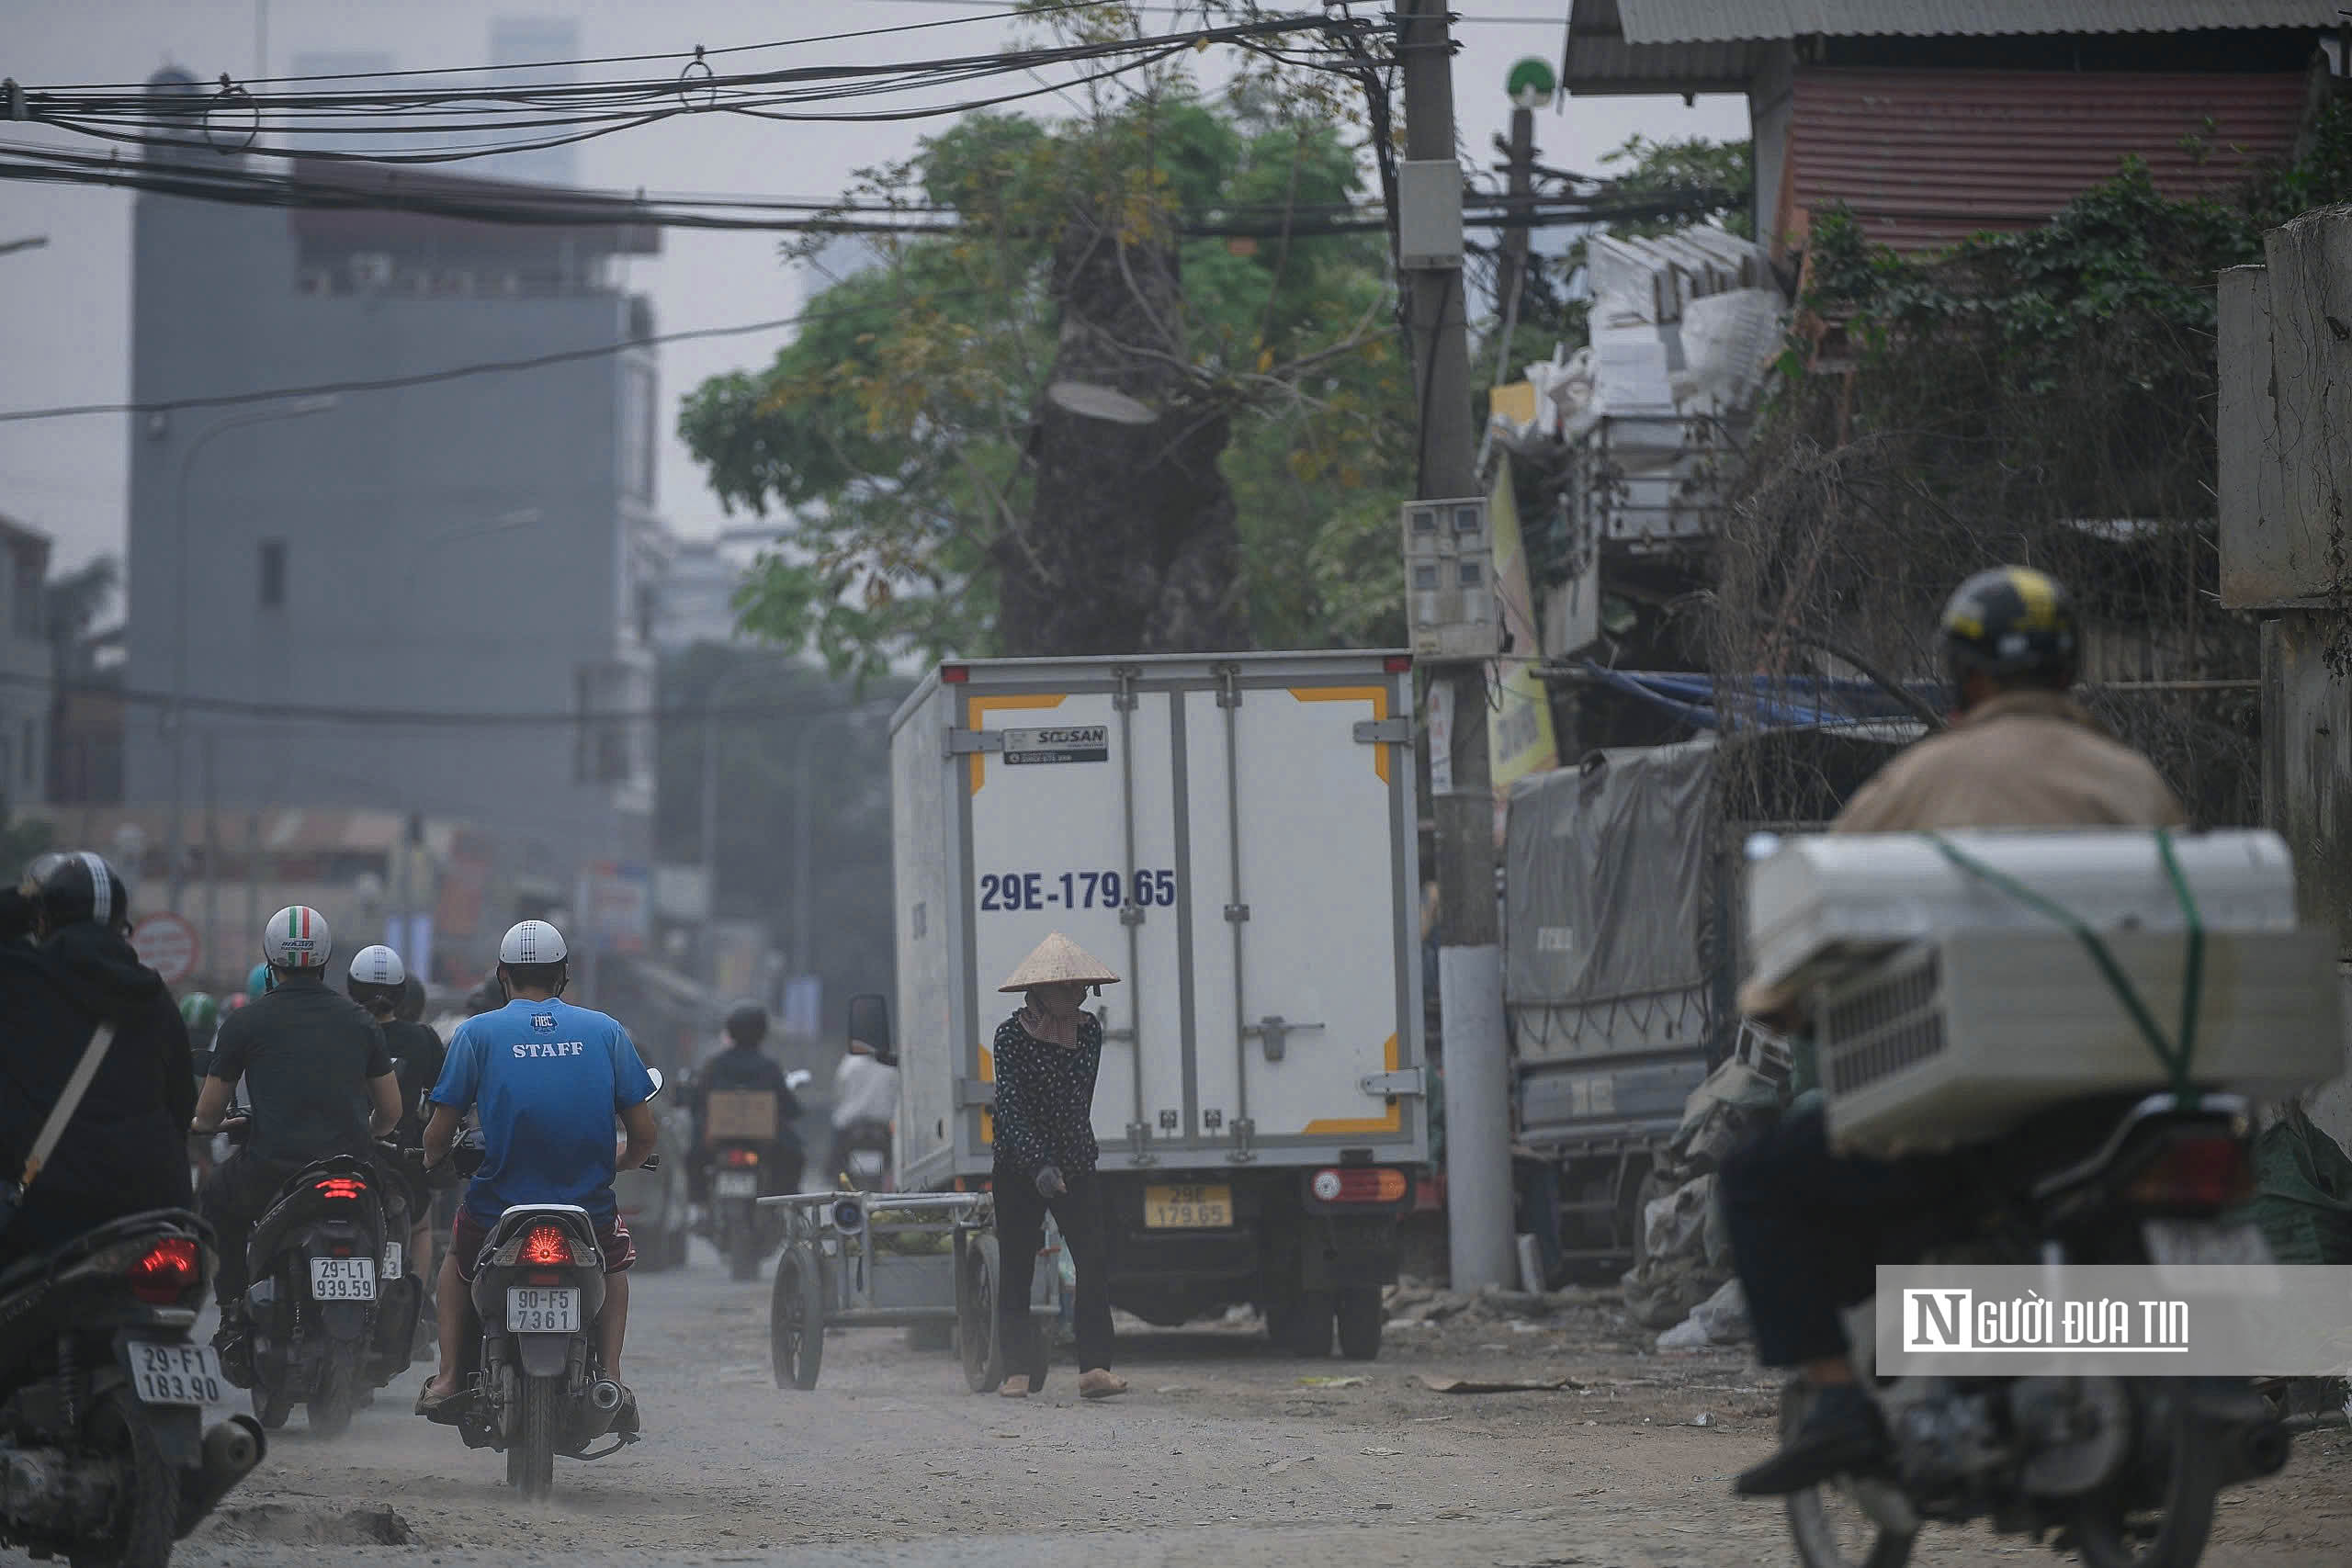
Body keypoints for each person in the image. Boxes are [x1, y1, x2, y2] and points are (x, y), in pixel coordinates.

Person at [1722, 567, 2188, 1498]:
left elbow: (1823, 912)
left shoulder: (1924, 777)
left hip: (1979, 1113)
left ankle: (1842, 1404)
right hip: (2126, 1099)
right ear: (2068, 670)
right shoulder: (2134, 780)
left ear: (1964, 676)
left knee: (1759, 1177)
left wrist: (1777, 1000)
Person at [416, 919, 658, 1425]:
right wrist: (621, 1162)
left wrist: (431, 1160)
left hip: (496, 1204)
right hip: (585, 1208)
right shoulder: (606, 1032)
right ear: (564, 975)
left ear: (502, 974)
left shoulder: (476, 1033)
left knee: (457, 1261)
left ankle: (446, 1376)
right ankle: (611, 1376)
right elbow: (643, 1137)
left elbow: (438, 1133)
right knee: (614, 1264)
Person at [191, 907, 402, 1320]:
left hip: (271, 1170)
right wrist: (371, 1131)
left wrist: (212, 1124)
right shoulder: (360, 1021)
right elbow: (390, 1112)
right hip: (351, 1169)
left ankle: (233, 1308)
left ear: (270, 960)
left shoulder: (244, 1022)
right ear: (325, 961)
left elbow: (209, 1113)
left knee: (215, 1199)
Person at [0, 852, 196, 1272]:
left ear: (42, 922)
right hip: (156, 1209)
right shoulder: (157, 1000)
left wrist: (25, 898)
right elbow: (183, 1107)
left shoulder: (21, 983)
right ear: (123, 930)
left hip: (44, 1214)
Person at [989, 932, 1125, 1400]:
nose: (1075, 996)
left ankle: (1095, 1368)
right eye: (1065, 989)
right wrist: (1037, 1166)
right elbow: (1009, 1106)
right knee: (1016, 1267)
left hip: (1074, 1161)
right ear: (1040, 991)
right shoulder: (1008, 1037)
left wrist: (1060, 1166)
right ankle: (1016, 1372)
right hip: (1017, 1167)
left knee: (1093, 1260)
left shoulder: (1088, 1032)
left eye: (1080, 989)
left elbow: (1074, 1102)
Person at [347, 945, 445, 1279]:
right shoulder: (423, 1039)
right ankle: (415, 1297)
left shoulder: (339, 1031)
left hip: (342, 1156)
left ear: (351, 987)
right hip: (404, 1162)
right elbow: (443, 1100)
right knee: (420, 1227)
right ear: (401, 992)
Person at [691, 1002, 806, 1199]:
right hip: (765, 1143)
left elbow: (697, 1101)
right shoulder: (769, 1067)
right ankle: (781, 1205)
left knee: (692, 1157)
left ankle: (699, 1206)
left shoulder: (715, 1065)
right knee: (795, 1156)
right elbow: (789, 1106)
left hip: (718, 1141)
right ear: (762, 1033)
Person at [826, 1033, 899, 1187]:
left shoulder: (849, 1064)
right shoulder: (890, 1065)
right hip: (882, 1128)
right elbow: (896, 1096)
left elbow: (838, 1093)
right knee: (892, 1164)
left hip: (850, 1126)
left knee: (835, 1167)